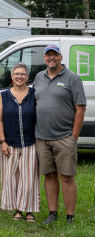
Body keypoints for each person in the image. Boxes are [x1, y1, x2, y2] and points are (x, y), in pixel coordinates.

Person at [33, 44, 86, 225]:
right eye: (48, 55)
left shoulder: (72, 79)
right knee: (49, 175)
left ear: (61, 57)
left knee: (67, 177)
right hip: (42, 137)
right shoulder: (39, 77)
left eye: (54, 55)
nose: (51, 58)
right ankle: (52, 213)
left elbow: (80, 109)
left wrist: (74, 137)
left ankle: (70, 216)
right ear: (44, 58)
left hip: (64, 137)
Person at [0, 62, 39, 222]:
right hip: (9, 143)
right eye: (16, 74)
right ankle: (17, 210)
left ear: (27, 77)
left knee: (28, 179)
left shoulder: (34, 94)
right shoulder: (4, 95)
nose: (19, 76)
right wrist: (2, 142)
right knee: (11, 178)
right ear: (12, 77)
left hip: (30, 142)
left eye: (23, 74)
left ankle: (28, 210)